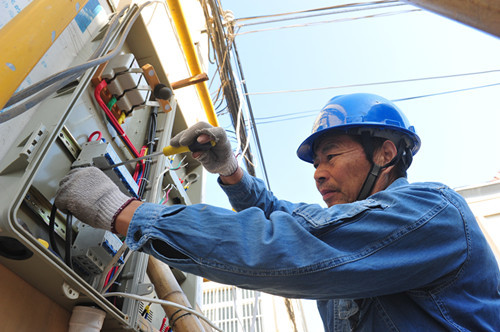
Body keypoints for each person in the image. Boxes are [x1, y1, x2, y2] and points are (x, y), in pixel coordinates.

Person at [55, 93, 500, 331]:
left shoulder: (431, 213)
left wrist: (124, 211)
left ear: (385, 153)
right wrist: (229, 171)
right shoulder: (357, 228)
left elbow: (289, 246)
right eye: (316, 164)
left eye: (331, 156)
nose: (318, 174)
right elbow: (286, 219)